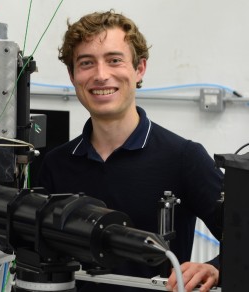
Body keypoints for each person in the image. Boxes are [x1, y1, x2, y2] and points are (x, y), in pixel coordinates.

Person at [39, 10, 222, 292]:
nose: (101, 75)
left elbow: (242, 240)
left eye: (114, 60)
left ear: (139, 69)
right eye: (86, 63)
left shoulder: (185, 158)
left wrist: (214, 267)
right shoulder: (55, 164)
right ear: (73, 75)